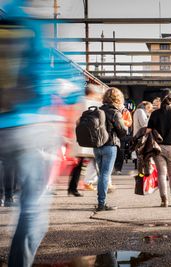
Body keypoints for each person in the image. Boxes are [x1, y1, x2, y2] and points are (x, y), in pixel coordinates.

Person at [0, 1, 84, 265]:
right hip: (32, 127)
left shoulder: (8, 16)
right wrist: (67, 134)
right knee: (34, 208)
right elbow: (68, 82)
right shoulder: (40, 25)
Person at [147, 89, 171, 207]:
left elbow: (148, 131)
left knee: (161, 174)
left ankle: (164, 200)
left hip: (158, 147)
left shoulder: (155, 113)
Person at [94, 88, 128, 212]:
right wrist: (124, 123)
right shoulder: (115, 112)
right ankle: (101, 204)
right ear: (117, 99)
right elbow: (123, 131)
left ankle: (101, 201)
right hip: (110, 146)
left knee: (101, 175)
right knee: (105, 175)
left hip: (97, 147)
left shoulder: (98, 110)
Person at [68, 84, 104, 196]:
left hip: (80, 137)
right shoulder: (91, 103)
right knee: (96, 162)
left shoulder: (78, 102)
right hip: (88, 138)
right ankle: (104, 185)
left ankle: (73, 188)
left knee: (80, 165)